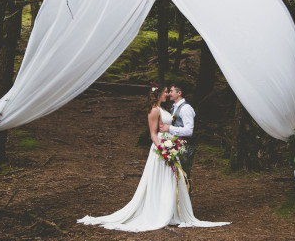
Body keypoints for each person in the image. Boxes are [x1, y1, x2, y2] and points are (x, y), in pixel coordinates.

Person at [77, 84, 229, 232]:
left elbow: (178, 128)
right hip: (161, 148)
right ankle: (160, 212)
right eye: (165, 92)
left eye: (169, 91)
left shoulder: (165, 109)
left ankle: (172, 211)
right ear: (158, 94)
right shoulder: (154, 111)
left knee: (171, 180)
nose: (167, 94)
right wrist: (163, 149)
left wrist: (170, 144)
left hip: (170, 145)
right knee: (162, 180)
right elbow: (153, 134)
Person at [158, 83, 196, 196]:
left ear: (179, 93)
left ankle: (186, 205)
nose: (169, 93)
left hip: (187, 147)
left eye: (171, 91)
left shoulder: (186, 108)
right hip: (176, 145)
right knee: (175, 175)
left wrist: (169, 128)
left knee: (184, 174)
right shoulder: (174, 107)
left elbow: (189, 131)